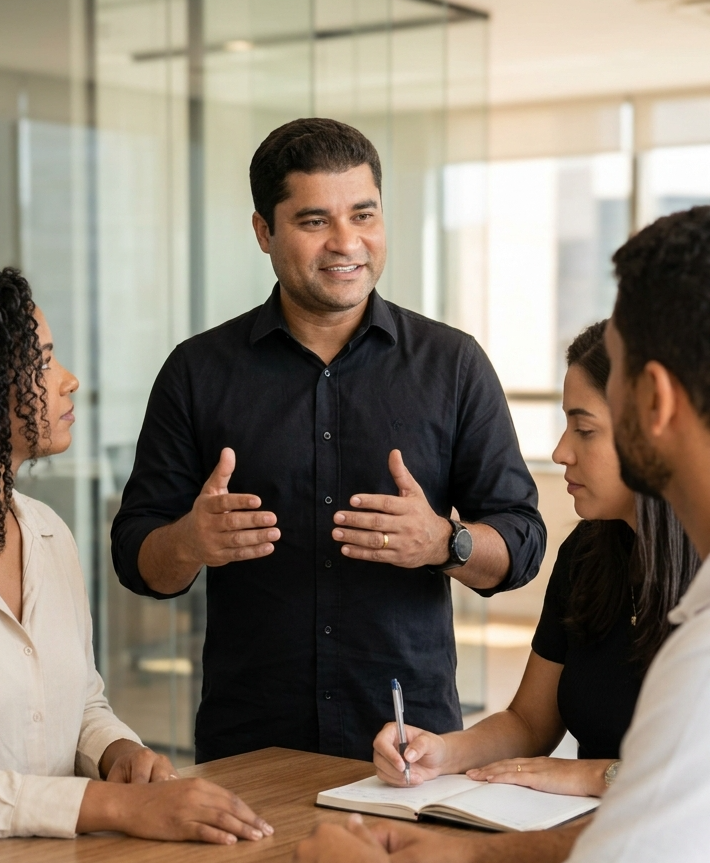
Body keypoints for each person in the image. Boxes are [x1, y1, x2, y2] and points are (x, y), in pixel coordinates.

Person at [278, 205, 710, 863]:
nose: (559, 451)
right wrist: (472, 856)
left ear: (658, 402)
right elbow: (649, 840)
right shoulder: (648, 598)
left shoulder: (703, 670)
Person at [111, 118, 545, 764]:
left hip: (407, 742)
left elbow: (523, 541)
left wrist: (442, 542)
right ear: (265, 231)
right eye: (315, 221)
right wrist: (188, 542)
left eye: (364, 214)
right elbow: (135, 557)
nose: (347, 242)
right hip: (249, 743)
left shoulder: (452, 364)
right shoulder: (197, 372)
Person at [0, 259, 272, 844]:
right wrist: (112, 807)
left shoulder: (48, 534)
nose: (68, 380)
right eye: (42, 361)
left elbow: (78, 702)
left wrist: (116, 750)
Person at [373, 319, 698, 805]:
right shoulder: (588, 553)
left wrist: (597, 777)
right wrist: (439, 752)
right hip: (584, 833)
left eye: (584, 429)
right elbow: (529, 723)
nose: (560, 451)